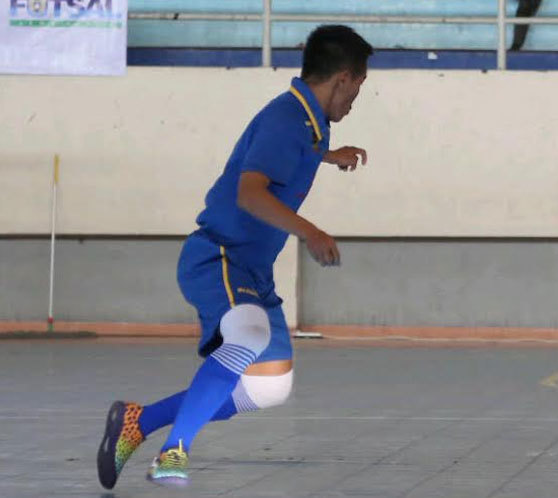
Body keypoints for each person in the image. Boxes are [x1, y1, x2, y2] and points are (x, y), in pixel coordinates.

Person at [96, 25, 373, 489]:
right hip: (219, 256)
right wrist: (311, 232)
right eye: (358, 89)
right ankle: (173, 451)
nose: (355, 101)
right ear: (343, 78)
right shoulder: (287, 118)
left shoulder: (308, 120)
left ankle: (137, 422)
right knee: (247, 333)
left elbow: (295, 149)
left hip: (252, 270)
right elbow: (249, 194)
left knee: (269, 385)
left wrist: (328, 155)